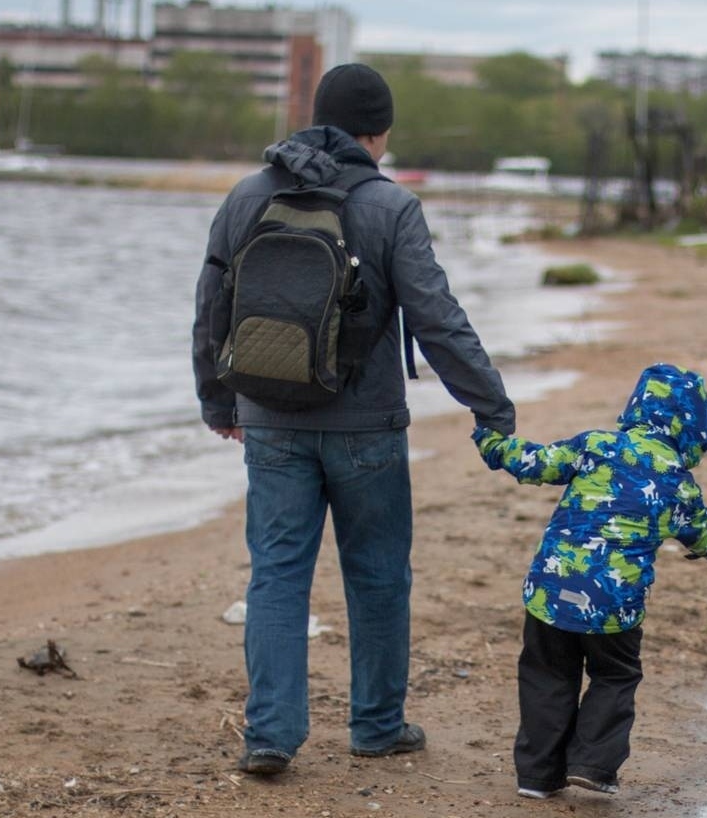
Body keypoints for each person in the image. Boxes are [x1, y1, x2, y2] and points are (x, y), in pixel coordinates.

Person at [192, 63, 516, 775]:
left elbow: (212, 307)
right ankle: (376, 726)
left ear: (316, 117)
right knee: (376, 576)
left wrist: (218, 402)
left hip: (269, 416)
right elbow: (437, 319)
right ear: (381, 133)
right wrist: (491, 405)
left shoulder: (248, 194)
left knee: (276, 575)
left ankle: (270, 736)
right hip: (366, 426)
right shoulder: (390, 206)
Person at [472, 363, 707, 800]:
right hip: (613, 608)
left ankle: (537, 777)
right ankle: (592, 764)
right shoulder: (677, 484)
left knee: (547, 674)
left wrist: (491, 442)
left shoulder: (595, 446)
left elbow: (534, 463)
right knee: (615, 676)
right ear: (695, 426)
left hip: (550, 594)